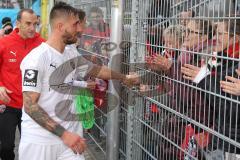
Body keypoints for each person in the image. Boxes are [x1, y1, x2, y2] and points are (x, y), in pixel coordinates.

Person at [19, 2, 139, 160]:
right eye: (75, 24)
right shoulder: (36, 59)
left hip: (70, 142)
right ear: (60, 26)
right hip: (40, 143)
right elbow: (30, 106)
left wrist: (124, 78)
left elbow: (95, 70)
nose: (81, 29)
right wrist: (64, 134)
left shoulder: (70, 53)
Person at [181, 19, 240, 159]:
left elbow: (226, 108)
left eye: (220, 34)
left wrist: (203, 78)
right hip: (221, 136)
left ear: (235, 38)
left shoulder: (234, 64)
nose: (215, 38)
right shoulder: (222, 57)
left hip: (231, 143)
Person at [0, 9, 45, 160]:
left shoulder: (42, 44)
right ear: (18, 23)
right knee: (6, 147)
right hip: (8, 104)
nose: (32, 28)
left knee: (32, 149)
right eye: (28, 24)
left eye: (35, 24)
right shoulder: (4, 43)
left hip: (32, 105)